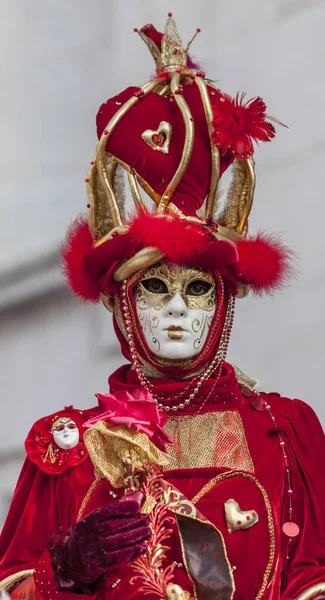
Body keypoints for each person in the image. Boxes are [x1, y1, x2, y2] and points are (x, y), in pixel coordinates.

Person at [1, 14, 325, 600]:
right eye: (154, 287)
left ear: (224, 304)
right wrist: (65, 571)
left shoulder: (285, 433)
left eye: (197, 288)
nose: (176, 308)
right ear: (121, 302)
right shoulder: (65, 450)